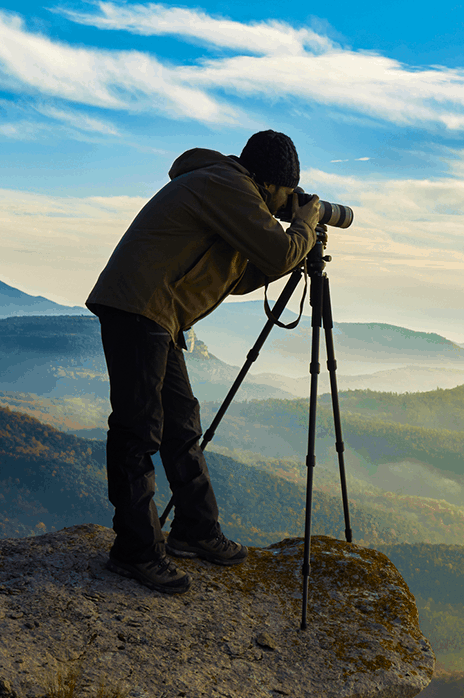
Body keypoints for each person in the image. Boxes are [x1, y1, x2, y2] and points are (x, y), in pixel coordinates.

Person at [86, 130, 321, 594]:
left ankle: (195, 530)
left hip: (157, 313)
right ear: (270, 183)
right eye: (285, 193)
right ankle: (134, 549)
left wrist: (294, 242)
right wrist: (304, 228)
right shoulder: (227, 186)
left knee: (181, 423)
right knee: (138, 430)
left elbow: (239, 275)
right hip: (138, 308)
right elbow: (276, 252)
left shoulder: (227, 192)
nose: (286, 203)